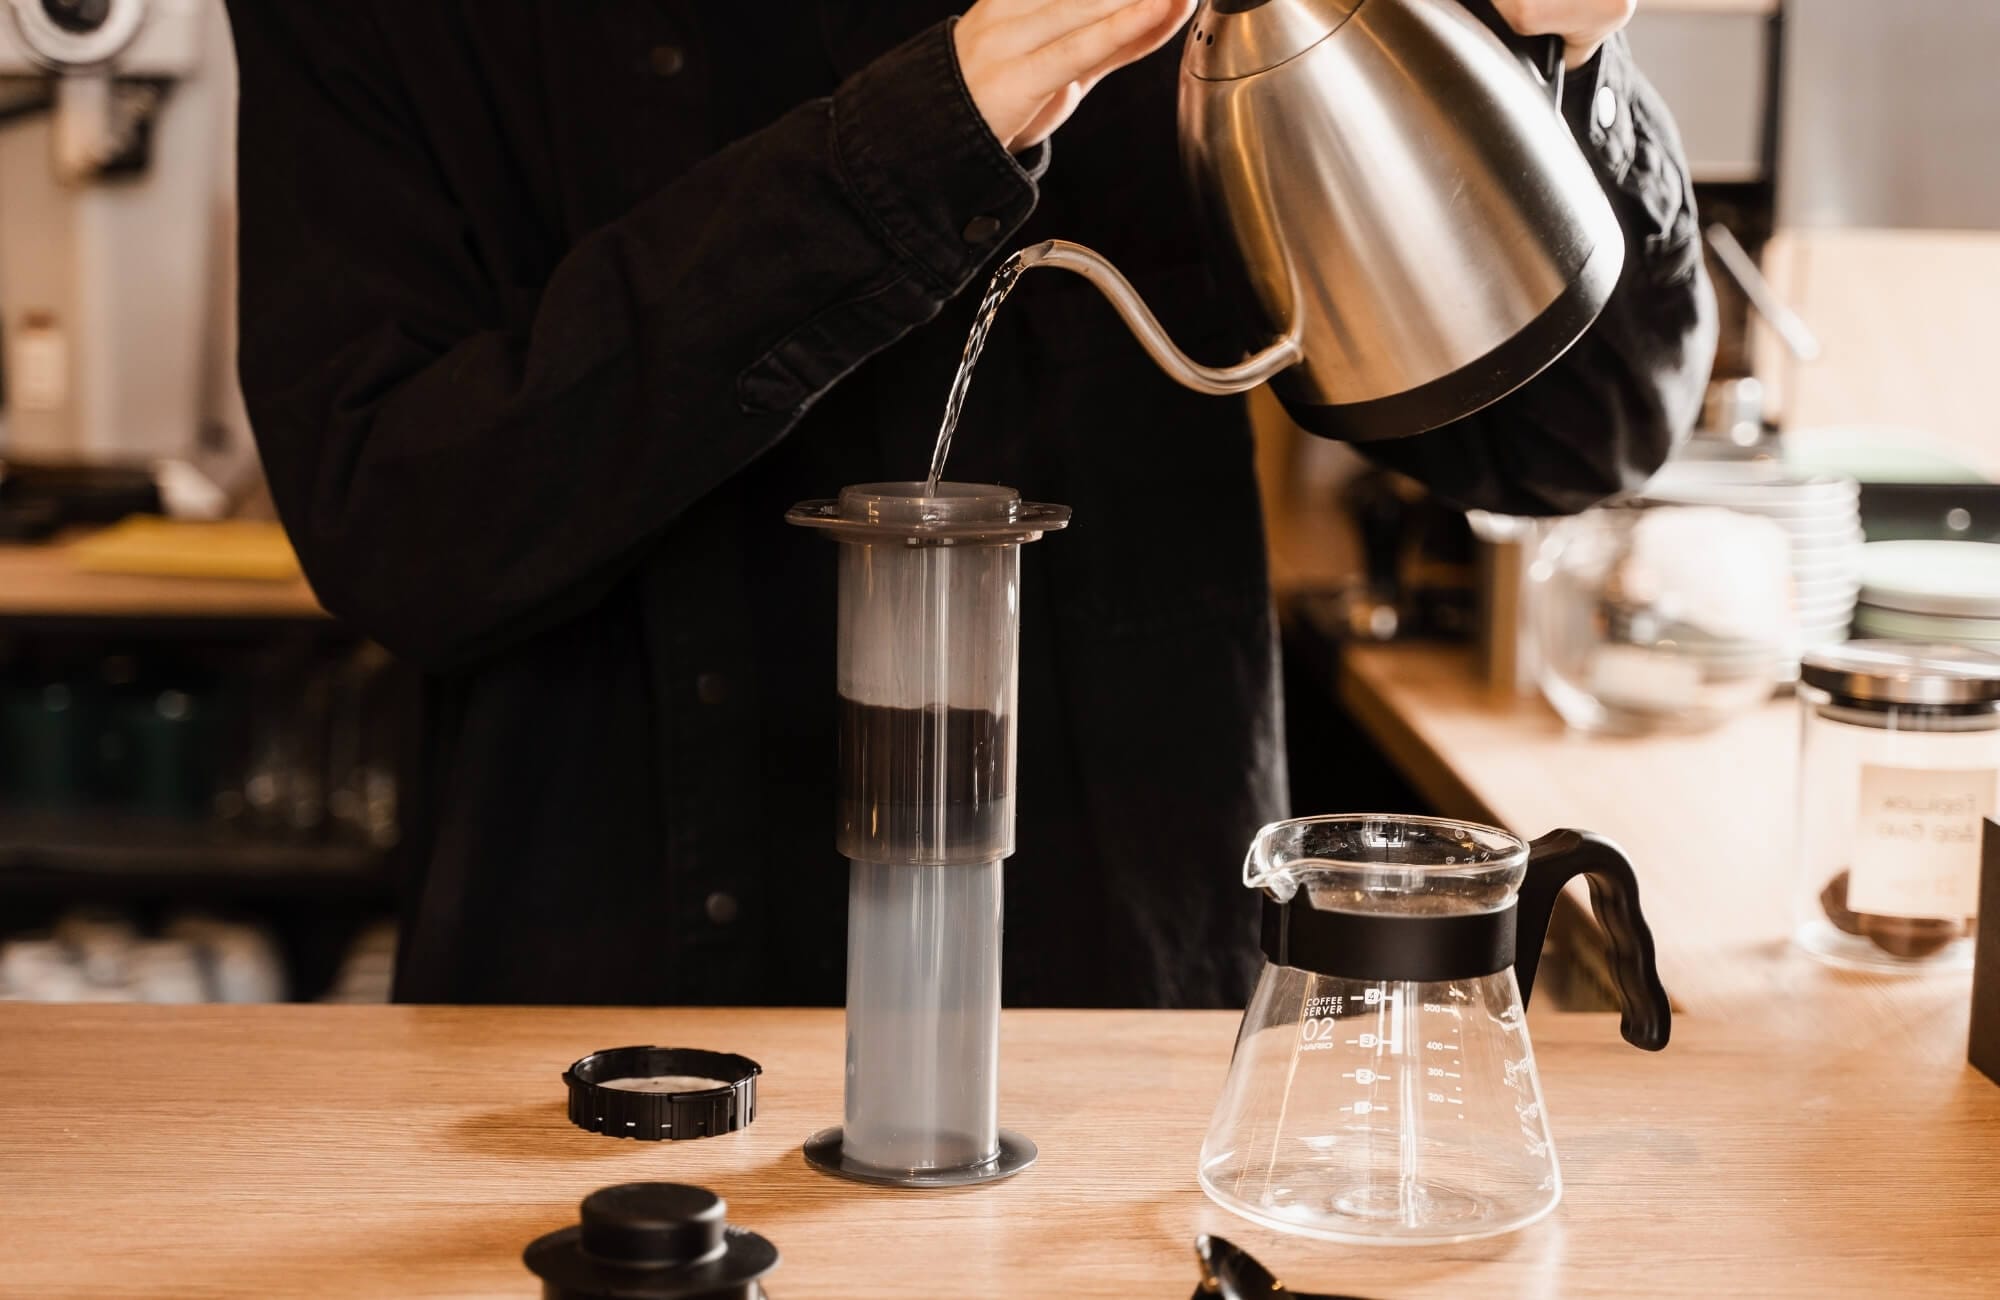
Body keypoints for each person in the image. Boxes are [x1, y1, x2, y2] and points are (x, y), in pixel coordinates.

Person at [224, 1, 1714, 1008]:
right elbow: (396, 523)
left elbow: (1573, 428)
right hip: (598, 1026)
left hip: (1117, 1020)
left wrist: (1544, 57)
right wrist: (931, 131)